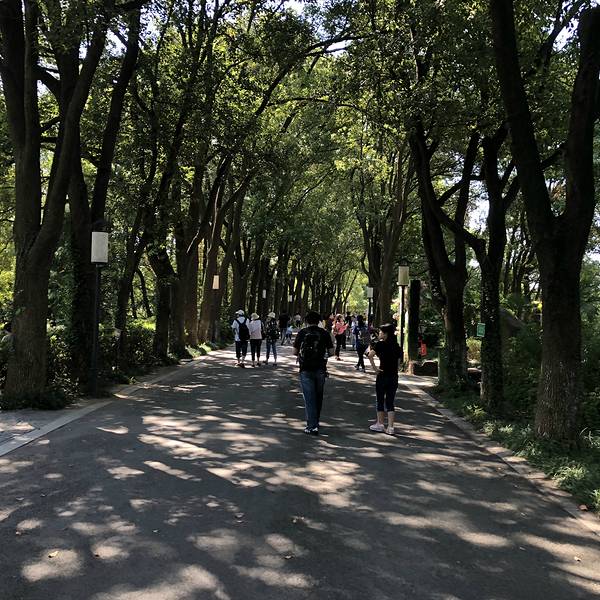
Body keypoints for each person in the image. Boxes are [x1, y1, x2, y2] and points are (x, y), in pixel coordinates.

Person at [293, 311, 334, 435]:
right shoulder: (324, 333)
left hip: (305, 369)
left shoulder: (302, 333)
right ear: (319, 321)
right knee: (318, 396)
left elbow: (294, 352)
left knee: (309, 398)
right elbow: (331, 352)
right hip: (320, 368)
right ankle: (316, 422)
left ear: (306, 321)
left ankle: (311, 426)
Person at [368, 323, 402, 435]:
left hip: (382, 374)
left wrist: (375, 369)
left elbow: (370, 355)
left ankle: (380, 423)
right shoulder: (397, 346)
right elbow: (398, 362)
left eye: (381, 332)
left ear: (385, 334)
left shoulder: (380, 344)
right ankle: (391, 427)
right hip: (393, 376)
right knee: (390, 401)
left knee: (380, 399)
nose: (379, 333)